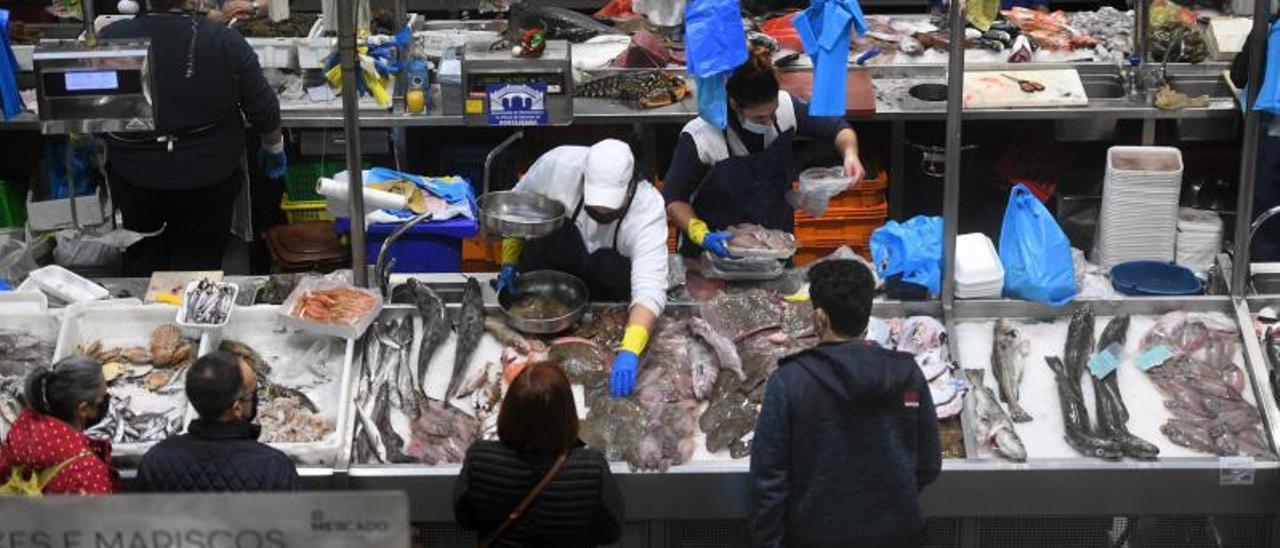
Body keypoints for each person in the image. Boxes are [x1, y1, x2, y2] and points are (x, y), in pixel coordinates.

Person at [750, 259, 941, 548]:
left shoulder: (789, 382)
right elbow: (928, 466)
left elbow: (768, 483)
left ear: (820, 318)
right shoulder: (907, 373)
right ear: (867, 314)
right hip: (899, 535)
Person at [99, 0, 284, 276]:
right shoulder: (224, 40)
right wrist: (273, 146)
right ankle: (195, 313)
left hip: (136, 176)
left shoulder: (112, 37)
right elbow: (263, 108)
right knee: (200, 264)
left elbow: (93, 104)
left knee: (144, 260)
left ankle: (143, 312)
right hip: (209, 175)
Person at [497, 139, 668, 398]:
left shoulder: (648, 209)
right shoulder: (557, 165)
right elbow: (518, 209)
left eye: (608, 208)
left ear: (630, 186)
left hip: (607, 301)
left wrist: (631, 350)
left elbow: (650, 289)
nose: (599, 212)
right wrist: (509, 260)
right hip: (543, 292)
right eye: (594, 205)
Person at [663, 47, 865, 259]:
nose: (769, 122)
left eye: (773, 112)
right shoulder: (702, 136)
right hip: (715, 253)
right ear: (734, 104)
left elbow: (837, 129)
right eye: (760, 118)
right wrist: (700, 234)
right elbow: (674, 199)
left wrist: (850, 154)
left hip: (773, 248)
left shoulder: (786, 107)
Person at [454, 362, 625, 547]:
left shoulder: (480, 457)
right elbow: (610, 532)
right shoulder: (592, 466)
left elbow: (466, 520)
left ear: (509, 411)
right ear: (566, 413)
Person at [136, 351, 299, 492]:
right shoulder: (274, 467)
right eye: (252, 392)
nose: (256, 396)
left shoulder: (155, 459)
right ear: (237, 408)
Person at [0, 356, 117, 495]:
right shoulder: (88, 472)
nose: (106, 401)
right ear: (83, 409)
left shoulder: (21, 431)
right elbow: (99, 515)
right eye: (102, 398)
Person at [1233, 14, 1280, 261]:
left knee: (1266, 228)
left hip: (1273, 139)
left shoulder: (1267, 27)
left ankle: (1263, 288)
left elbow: (1239, 76)